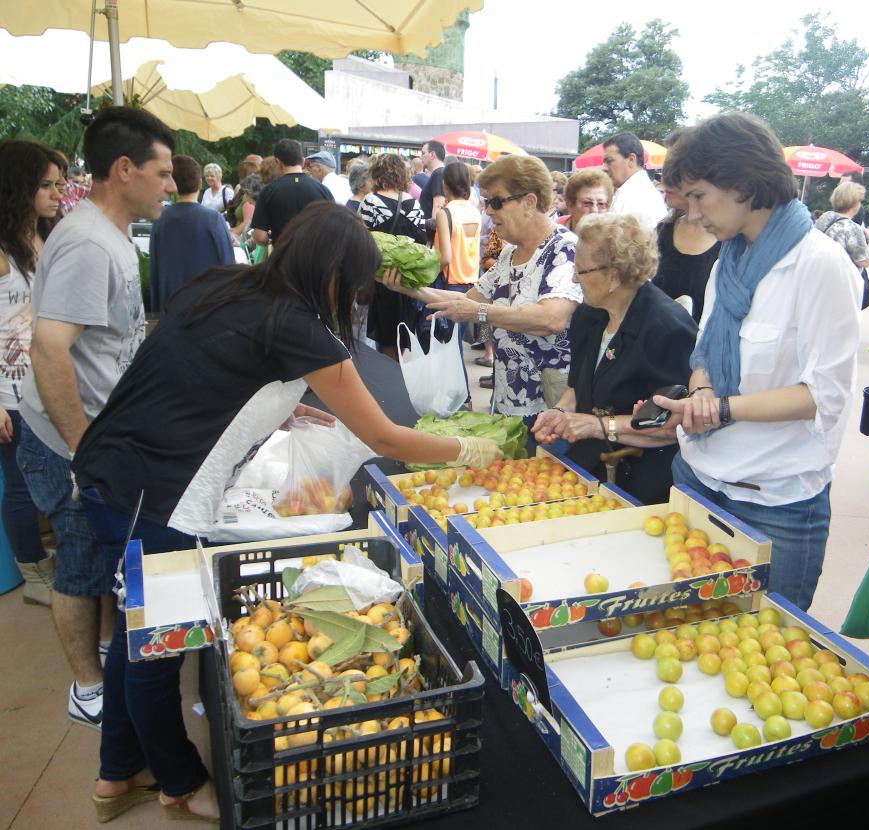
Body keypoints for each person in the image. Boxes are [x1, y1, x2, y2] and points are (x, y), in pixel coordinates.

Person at [72, 201, 501, 824]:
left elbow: (206, 370)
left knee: (136, 627)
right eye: (353, 284)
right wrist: (466, 448)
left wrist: (284, 409)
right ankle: (178, 782)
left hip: (113, 465)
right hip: (152, 493)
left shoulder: (225, 283)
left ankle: (117, 773)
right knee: (155, 648)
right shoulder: (299, 325)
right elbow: (386, 437)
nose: (352, 298)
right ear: (334, 272)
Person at [647, 113, 861, 612]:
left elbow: (821, 395)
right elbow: (705, 350)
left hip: (774, 502)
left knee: (766, 650)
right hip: (698, 476)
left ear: (741, 182)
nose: (692, 213)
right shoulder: (730, 259)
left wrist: (721, 408)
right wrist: (701, 392)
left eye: (699, 195)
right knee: (688, 629)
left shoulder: (820, 265)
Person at [17, 106, 176, 729]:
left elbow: (107, 342)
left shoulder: (103, 233)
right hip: (68, 442)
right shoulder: (87, 242)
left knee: (98, 562)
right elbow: (49, 347)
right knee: (80, 570)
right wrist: (85, 450)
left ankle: (106, 656)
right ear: (123, 169)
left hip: (94, 434)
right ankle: (87, 688)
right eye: (162, 173)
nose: (170, 184)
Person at [383, 153, 582, 431]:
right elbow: (465, 301)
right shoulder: (510, 253)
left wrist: (479, 312)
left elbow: (552, 318)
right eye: (487, 202)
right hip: (509, 398)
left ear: (529, 202)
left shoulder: (565, 248)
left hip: (550, 409)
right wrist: (407, 288)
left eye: (496, 202)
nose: (488, 211)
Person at [532, 214, 696, 503]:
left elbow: (673, 427)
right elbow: (578, 388)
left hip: (642, 480)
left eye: (581, 271)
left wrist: (598, 425)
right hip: (589, 465)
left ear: (613, 276)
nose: (573, 278)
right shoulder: (589, 314)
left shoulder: (666, 327)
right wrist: (559, 413)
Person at [0, 139, 64, 606]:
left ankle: (46, 558)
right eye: (44, 184)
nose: (56, 193)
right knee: (21, 486)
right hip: (10, 392)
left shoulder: (40, 237)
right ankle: (32, 569)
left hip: (43, 384)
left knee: (49, 476)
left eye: (58, 184)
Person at [358, 153, 428, 360]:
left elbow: (360, 242)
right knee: (400, 337)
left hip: (380, 280)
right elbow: (421, 242)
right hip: (407, 281)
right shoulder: (413, 204)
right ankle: (396, 377)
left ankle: (390, 383)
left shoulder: (371, 201)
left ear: (376, 173)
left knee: (386, 339)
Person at [148, 154, 234, 313]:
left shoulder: (160, 219)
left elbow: (154, 270)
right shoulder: (213, 219)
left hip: (170, 309)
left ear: (173, 185)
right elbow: (228, 266)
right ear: (200, 183)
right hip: (207, 308)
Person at [651, 169, 719, 324]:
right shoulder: (662, 231)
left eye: (676, 173)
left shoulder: (730, 244)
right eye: (665, 172)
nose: (664, 180)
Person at [434, 161, 481, 355]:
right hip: (471, 281)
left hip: (449, 282)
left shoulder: (445, 213)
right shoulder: (474, 210)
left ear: (445, 184)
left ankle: (460, 387)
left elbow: (445, 257)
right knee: (455, 346)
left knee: (448, 350)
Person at [250, 139, 333, 248]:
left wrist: (272, 242)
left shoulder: (268, 191)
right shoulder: (323, 190)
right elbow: (333, 230)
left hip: (283, 257)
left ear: (278, 163)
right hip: (315, 258)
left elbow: (259, 236)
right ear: (303, 162)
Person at [603, 132, 667, 232]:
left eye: (609, 161)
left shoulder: (640, 198)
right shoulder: (633, 192)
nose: (604, 168)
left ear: (631, 159)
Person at [815, 181, 869, 270]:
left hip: (818, 271)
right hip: (837, 278)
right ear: (854, 204)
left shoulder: (824, 218)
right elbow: (864, 262)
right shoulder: (852, 228)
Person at [419, 139, 447, 219]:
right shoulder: (439, 173)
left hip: (431, 228)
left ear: (432, 154)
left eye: (423, 153)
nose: (421, 157)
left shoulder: (439, 174)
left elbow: (438, 206)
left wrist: (432, 228)